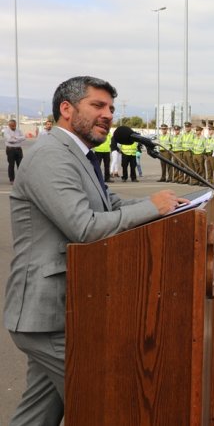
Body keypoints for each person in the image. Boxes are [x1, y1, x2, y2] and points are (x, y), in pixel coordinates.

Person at [3, 75, 185, 426]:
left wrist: (168, 204)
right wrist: (153, 207)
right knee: (107, 403)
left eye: (111, 108)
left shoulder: (77, 155)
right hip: (47, 314)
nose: (108, 115)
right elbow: (84, 226)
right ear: (67, 110)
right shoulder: (51, 155)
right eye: (98, 105)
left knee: (37, 414)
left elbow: (111, 203)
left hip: (65, 308)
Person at [3, 119, 25, 184]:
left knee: (20, 165)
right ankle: (12, 179)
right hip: (10, 150)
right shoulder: (6, 131)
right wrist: (18, 139)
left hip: (18, 149)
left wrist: (16, 138)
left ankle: (20, 180)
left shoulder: (19, 130)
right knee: (11, 165)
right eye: (12, 126)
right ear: (9, 125)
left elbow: (24, 137)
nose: (14, 127)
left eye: (14, 125)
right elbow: (10, 140)